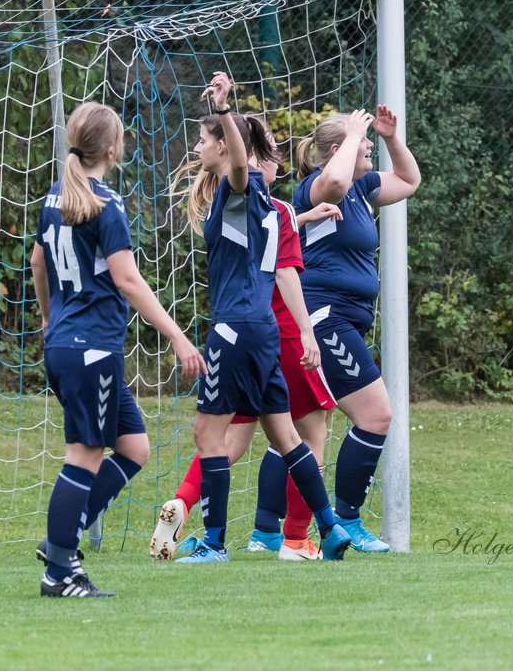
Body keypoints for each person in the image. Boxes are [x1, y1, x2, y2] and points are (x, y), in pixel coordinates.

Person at [170, 71, 351, 564]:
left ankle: (213, 543)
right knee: (285, 436)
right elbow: (282, 262)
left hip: (233, 331)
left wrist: (227, 111)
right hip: (265, 333)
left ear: (228, 149)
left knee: (209, 435)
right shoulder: (271, 209)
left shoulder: (239, 189)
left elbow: (236, 157)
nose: (199, 147)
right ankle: (330, 528)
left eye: (204, 141)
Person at [31, 101, 205, 597]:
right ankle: (60, 572)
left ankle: (61, 536)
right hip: (91, 350)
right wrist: (176, 334)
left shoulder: (54, 199)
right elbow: (127, 279)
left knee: (133, 447)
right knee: (83, 455)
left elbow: (38, 263)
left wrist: (48, 316)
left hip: (69, 344)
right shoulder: (105, 204)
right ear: (112, 148)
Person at [291, 106, 420, 552]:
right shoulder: (315, 188)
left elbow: (409, 181)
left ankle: (282, 531)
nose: (367, 147)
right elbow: (335, 181)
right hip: (325, 320)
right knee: (374, 415)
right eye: (362, 141)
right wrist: (350, 136)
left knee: (303, 429)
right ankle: (343, 521)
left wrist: (388, 138)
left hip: (344, 320)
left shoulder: (361, 189)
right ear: (337, 148)